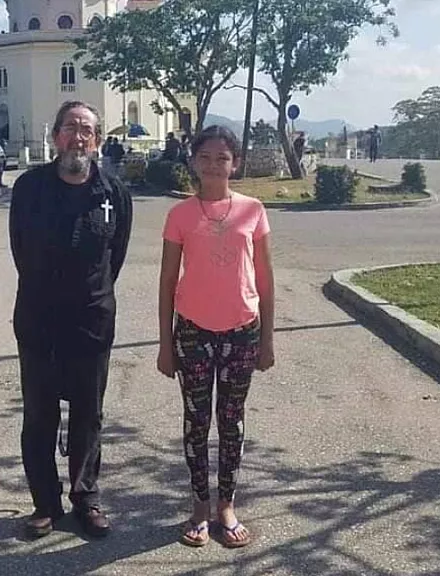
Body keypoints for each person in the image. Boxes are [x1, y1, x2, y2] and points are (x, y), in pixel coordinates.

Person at [9, 100, 133, 539]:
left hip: (91, 320)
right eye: (69, 128)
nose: (77, 137)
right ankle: (45, 503)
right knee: (39, 415)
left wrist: (90, 291)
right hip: (39, 318)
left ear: (97, 140)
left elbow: (114, 255)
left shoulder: (113, 191)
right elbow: (19, 249)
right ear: (55, 136)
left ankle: (86, 497)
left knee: (88, 413)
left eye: (86, 130)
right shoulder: (28, 188)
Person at [156, 125, 275, 549]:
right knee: (196, 422)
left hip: (242, 332)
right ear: (194, 161)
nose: (213, 165)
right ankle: (199, 508)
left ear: (235, 163)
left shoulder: (253, 210)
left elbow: (263, 277)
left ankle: (227, 504)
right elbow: (168, 280)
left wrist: (267, 339)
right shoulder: (180, 215)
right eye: (205, 157)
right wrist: (165, 344)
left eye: (222, 157)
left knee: (231, 421)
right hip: (192, 331)